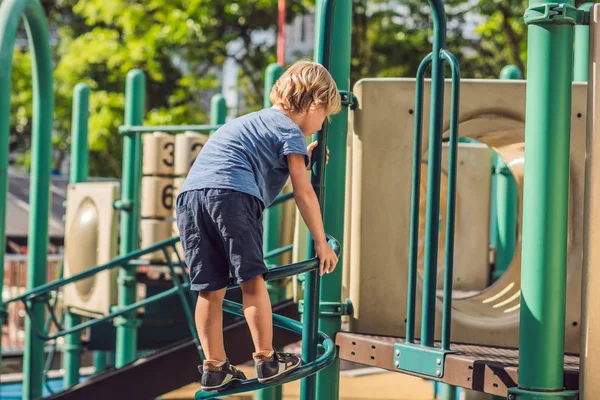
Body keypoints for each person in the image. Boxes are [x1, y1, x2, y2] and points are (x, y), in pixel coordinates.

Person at [175, 60, 341, 391]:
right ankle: (267, 360)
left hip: (190, 198)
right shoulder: (288, 129)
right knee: (252, 280)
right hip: (233, 195)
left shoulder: (252, 122)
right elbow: (302, 190)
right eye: (325, 117)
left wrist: (303, 155)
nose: (321, 125)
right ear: (314, 103)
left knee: (209, 289)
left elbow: (258, 159)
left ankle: (214, 367)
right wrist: (320, 241)